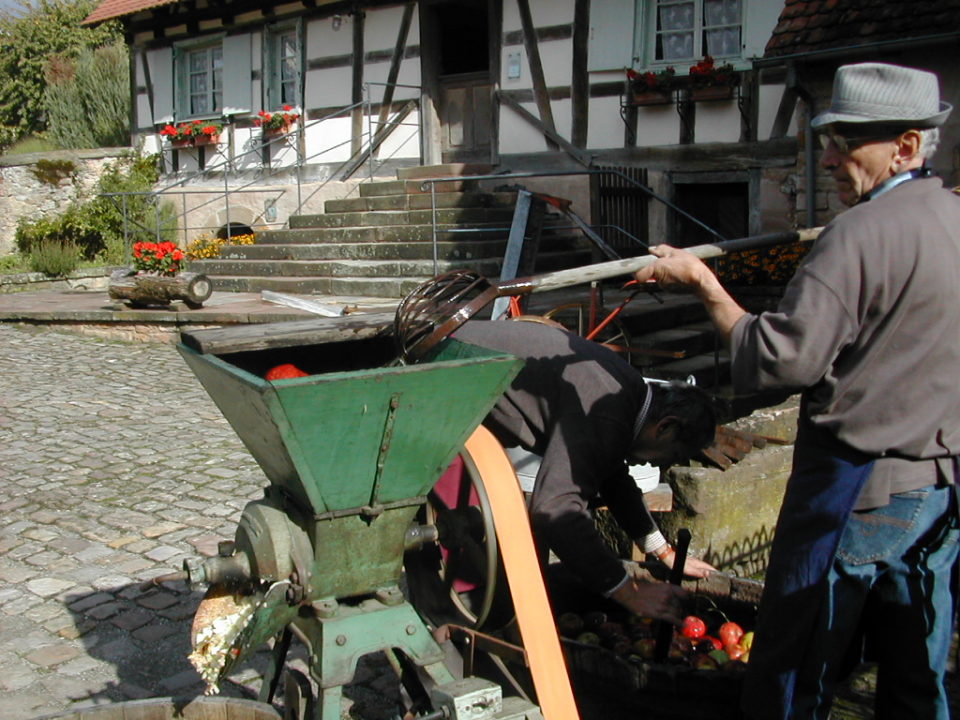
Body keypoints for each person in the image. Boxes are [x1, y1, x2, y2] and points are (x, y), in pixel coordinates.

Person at [634, 62, 960, 719]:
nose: (830, 157)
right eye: (829, 140)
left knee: (793, 667)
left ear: (905, 146)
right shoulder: (951, 216)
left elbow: (781, 360)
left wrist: (703, 283)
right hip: (938, 484)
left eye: (848, 142)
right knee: (916, 674)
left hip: (857, 489)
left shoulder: (859, 234)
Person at [453, 319, 718, 625]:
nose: (662, 466)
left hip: (464, 349)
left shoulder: (627, 391)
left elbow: (611, 472)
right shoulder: (607, 411)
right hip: (445, 363)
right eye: (672, 456)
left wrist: (662, 550)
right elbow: (554, 510)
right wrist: (628, 593)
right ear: (665, 427)